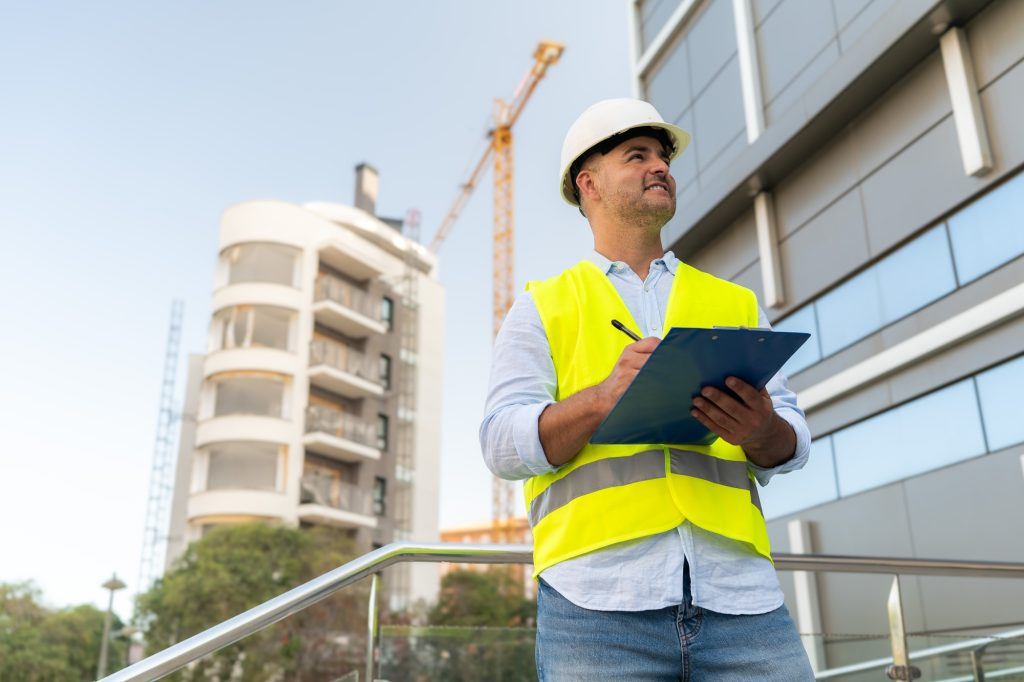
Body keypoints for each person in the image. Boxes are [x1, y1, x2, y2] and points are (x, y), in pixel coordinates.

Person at [479, 98, 816, 681]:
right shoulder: (542, 306)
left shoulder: (735, 303)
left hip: (742, 601)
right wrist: (600, 399)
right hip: (596, 604)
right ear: (589, 184)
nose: (660, 166)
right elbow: (499, 444)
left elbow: (793, 441)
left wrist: (764, 430)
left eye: (663, 157)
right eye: (637, 156)